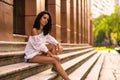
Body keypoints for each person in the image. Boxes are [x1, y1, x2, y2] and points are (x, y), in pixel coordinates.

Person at [24, 11, 70, 80]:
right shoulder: (34, 30)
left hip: (38, 53)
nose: (46, 20)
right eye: (44, 18)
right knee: (55, 60)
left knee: (53, 45)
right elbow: (40, 46)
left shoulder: (43, 32)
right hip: (31, 56)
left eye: (47, 19)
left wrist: (59, 45)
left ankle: (55, 67)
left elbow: (51, 39)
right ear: (39, 18)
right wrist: (52, 55)